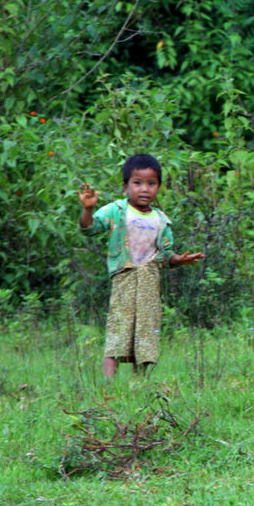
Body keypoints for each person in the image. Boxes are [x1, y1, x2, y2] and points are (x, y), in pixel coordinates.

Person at [78, 154, 204, 378]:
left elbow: (165, 254)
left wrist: (179, 259)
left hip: (149, 281)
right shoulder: (116, 211)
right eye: (137, 183)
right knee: (119, 327)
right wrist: (88, 209)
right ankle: (110, 384)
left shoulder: (160, 219)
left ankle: (140, 384)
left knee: (146, 330)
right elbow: (89, 228)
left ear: (158, 187)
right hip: (124, 278)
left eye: (151, 183)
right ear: (125, 186)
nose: (144, 189)